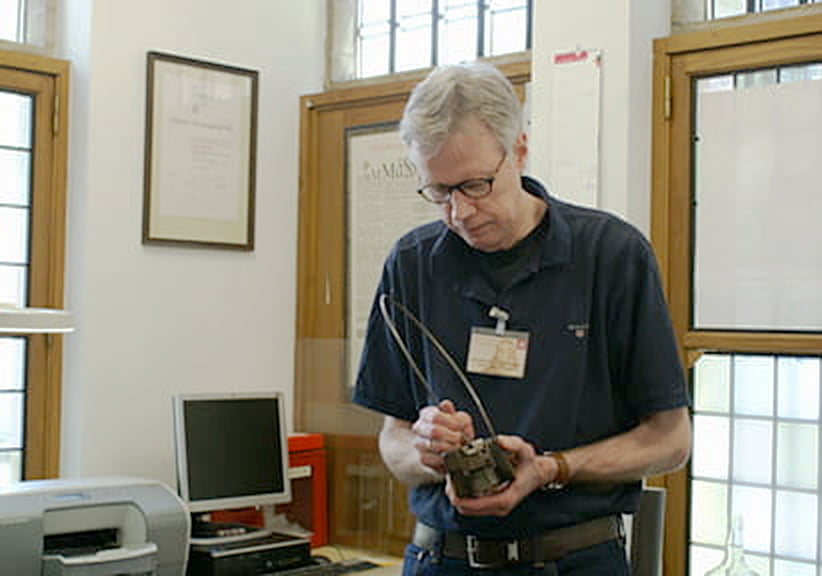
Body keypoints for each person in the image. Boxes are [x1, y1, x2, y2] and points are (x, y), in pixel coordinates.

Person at [352, 61, 691, 575]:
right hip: (442, 558)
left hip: (574, 560)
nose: (459, 213)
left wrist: (552, 469)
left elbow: (671, 440)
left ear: (520, 151)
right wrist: (426, 449)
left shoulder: (611, 257)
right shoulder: (412, 263)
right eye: (439, 192)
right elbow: (391, 441)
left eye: (475, 185)